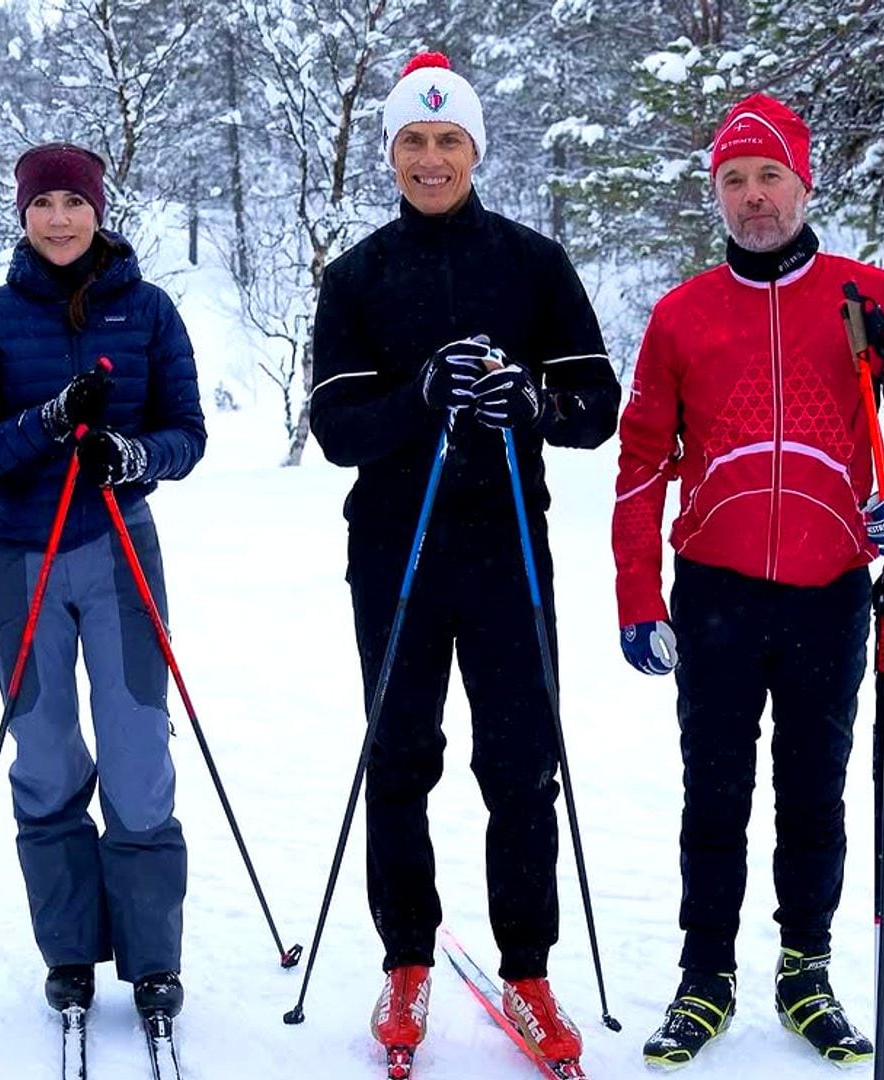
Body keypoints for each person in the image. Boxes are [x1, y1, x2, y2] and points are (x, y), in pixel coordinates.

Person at [612, 94, 884, 1069]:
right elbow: (642, 462)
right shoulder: (683, 315)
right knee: (713, 796)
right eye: (734, 179)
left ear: (804, 183)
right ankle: (705, 976)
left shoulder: (866, 298)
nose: (753, 196)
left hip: (832, 591)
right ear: (716, 193)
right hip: (716, 593)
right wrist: (637, 595)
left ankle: (805, 970)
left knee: (815, 793)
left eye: (770, 175)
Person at [310, 51, 620, 1071]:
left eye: (448, 141)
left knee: (522, 764)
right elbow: (339, 428)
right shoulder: (355, 277)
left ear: (475, 149)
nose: (430, 159)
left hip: (505, 552)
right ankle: (406, 962)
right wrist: (422, 397)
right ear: (390, 154)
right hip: (394, 554)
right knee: (398, 758)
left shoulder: (532, 263)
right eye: (412, 141)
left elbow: (595, 407)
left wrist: (528, 400)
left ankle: (527, 975)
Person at [0, 143, 206, 1021]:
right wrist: (48, 421)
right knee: (47, 759)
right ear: (22, 214)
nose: (59, 218)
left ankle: (153, 959)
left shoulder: (150, 310)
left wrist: (129, 457)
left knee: (138, 756)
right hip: (19, 558)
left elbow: (186, 434)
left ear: (99, 208)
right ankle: (69, 953)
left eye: (74, 201)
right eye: (43, 202)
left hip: (120, 550)